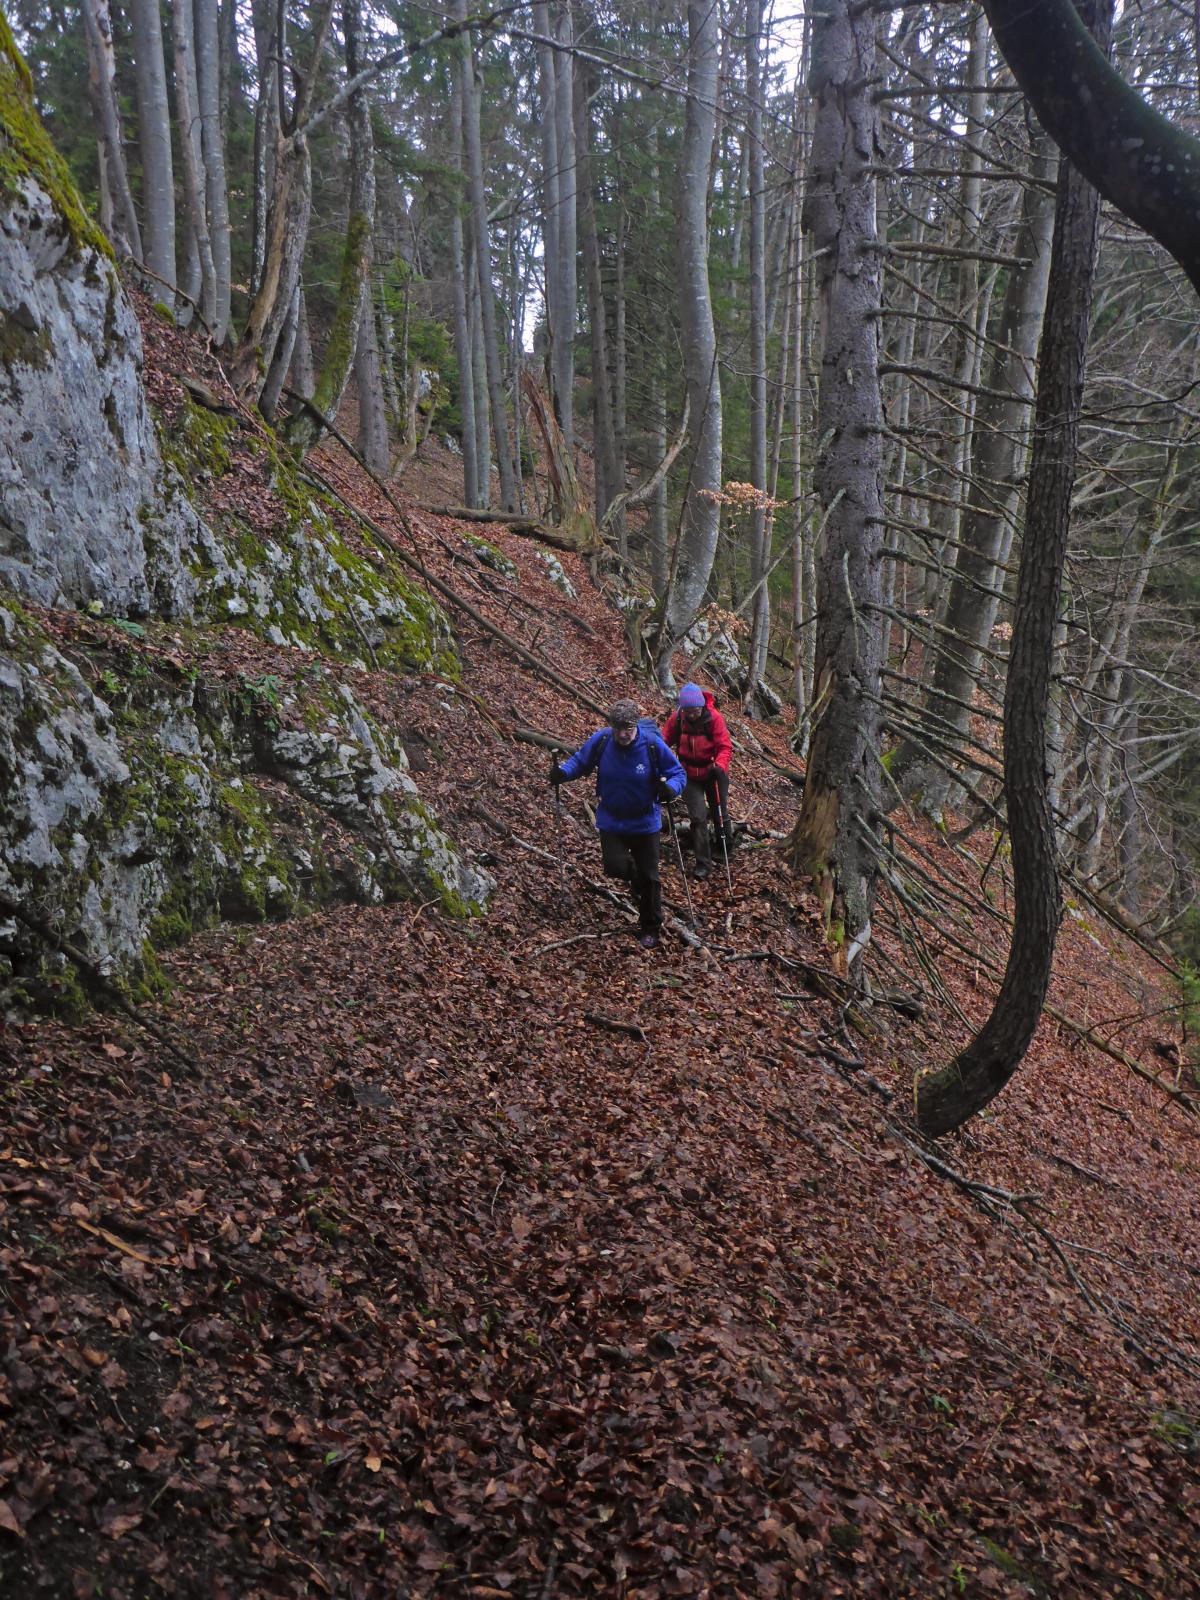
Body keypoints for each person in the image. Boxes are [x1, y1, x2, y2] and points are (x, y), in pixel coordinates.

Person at [550, 698, 686, 949]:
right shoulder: (602, 741)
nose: (623, 734)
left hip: (645, 822)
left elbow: (678, 773)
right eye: (618, 728)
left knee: (650, 877)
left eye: (629, 728)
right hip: (612, 820)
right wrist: (563, 773)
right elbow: (581, 761)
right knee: (614, 867)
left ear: (636, 727)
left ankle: (650, 927)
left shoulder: (652, 745)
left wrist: (670, 788)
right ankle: (639, 884)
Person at [661, 682, 733, 881]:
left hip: (713, 771)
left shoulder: (714, 719)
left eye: (695, 711)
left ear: (701, 706)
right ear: (682, 709)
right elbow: (663, 742)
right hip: (689, 773)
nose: (692, 715)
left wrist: (720, 764)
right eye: (688, 711)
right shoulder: (677, 719)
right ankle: (703, 863)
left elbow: (725, 747)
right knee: (698, 817)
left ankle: (725, 847)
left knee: (719, 811)